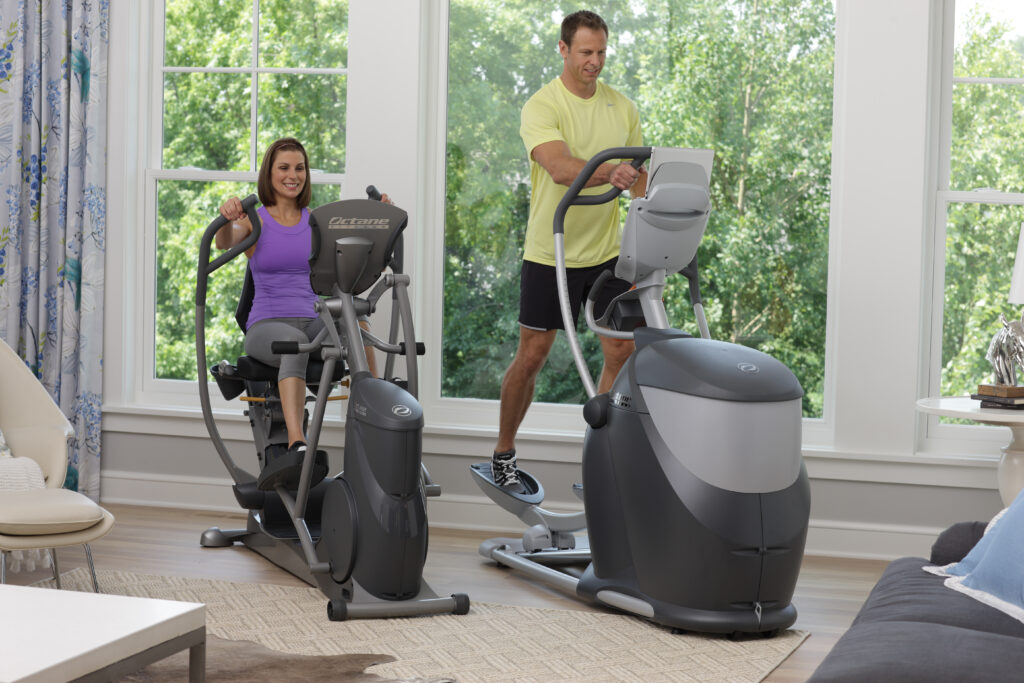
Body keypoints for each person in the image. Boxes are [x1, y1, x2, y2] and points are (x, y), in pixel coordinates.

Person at [490, 11, 648, 491]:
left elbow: (640, 179)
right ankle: (502, 454)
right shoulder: (543, 105)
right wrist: (609, 172)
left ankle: (602, 454)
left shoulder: (622, 108)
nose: (595, 62)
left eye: (601, 52)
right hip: (550, 251)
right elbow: (559, 167)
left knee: (622, 348)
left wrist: (644, 247)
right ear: (563, 50)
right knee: (534, 354)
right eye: (585, 52)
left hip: (608, 253)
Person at [217, 137, 386, 463]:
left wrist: (380, 216)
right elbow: (225, 242)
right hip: (267, 324)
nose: (292, 175)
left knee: (356, 320)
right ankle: (298, 443)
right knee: (294, 344)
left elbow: (357, 250)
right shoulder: (255, 220)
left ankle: (376, 414)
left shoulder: (316, 222)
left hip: (312, 319)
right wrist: (226, 216)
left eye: (299, 168)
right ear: (270, 173)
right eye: (283, 168)